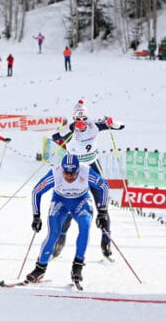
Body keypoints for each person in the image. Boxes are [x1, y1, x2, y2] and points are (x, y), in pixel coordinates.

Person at [50, 100, 125, 258]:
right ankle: (61, 238)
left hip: (92, 164)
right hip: (75, 168)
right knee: (71, 203)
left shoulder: (94, 125)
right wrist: (71, 129)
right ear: (74, 118)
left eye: (84, 118)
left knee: (102, 203)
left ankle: (106, 240)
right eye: (78, 119)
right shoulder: (70, 129)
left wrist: (112, 122)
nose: (82, 122)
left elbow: (120, 126)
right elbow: (55, 137)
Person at [25, 154, 110, 284]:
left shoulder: (86, 171)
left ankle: (77, 266)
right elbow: (36, 192)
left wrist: (103, 212)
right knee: (53, 233)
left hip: (81, 201)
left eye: (73, 174)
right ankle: (40, 268)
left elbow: (104, 186)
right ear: (62, 169)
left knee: (85, 227)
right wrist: (36, 216)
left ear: (78, 169)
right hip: (61, 202)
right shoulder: (55, 173)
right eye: (66, 173)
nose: (69, 177)